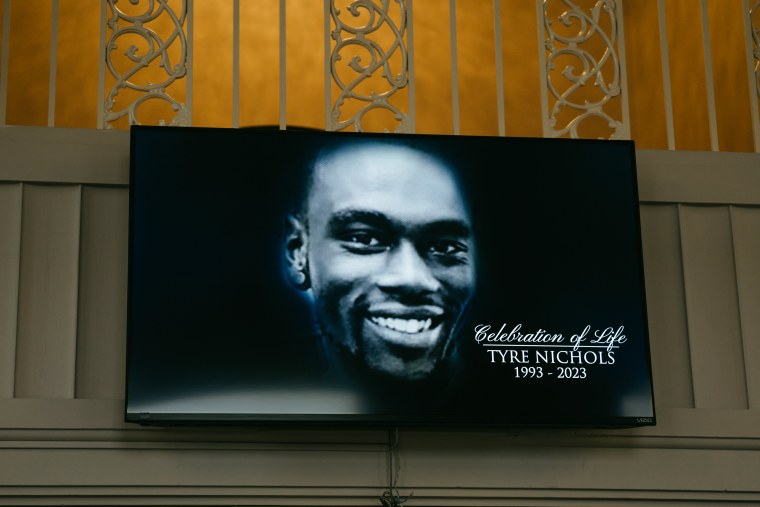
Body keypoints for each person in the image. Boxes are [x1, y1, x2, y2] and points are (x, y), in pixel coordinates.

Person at [283, 139, 477, 392]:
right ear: (298, 251)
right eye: (364, 239)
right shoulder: (249, 382)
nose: (412, 278)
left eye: (443, 247)